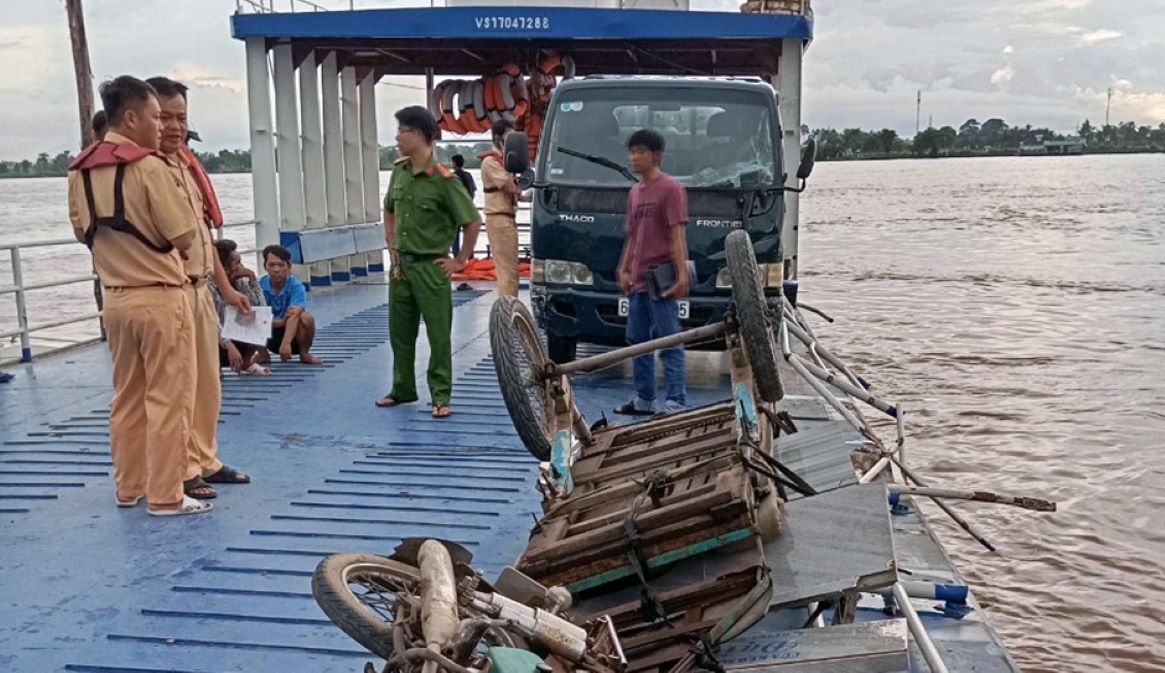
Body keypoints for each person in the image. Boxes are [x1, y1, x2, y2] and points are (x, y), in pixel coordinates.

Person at [66, 75, 208, 516]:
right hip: (160, 296)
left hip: (115, 299)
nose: (157, 125)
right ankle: (166, 494)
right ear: (130, 117)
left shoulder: (80, 170)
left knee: (127, 396)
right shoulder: (148, 167)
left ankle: (130, 486)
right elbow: (183, 234)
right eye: (152, 117)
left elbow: (79, 231)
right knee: (169, 398)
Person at [147, 76, 251, 501]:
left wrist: (225, 288)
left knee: (208, 383)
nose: (174, 126)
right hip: (168, 290)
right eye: (165, 117)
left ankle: (205, 457)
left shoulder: (184, 164)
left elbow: (204, 236)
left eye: (181, 117)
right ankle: (183, 469)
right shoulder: (146, 170)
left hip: (199, 287)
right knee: (178, 386)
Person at [376, 105, 482, 418]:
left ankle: (440, 396)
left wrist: (460, 261)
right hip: (401, 267)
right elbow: (389, 208)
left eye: (402, 131)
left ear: (419, 135)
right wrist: (391, 239)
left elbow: (472, 221)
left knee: (438, 334)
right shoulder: (399, 171)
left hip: (430, 267)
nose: (397, 138)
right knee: (400, 332)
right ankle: (402, 388)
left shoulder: (444, 180)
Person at [615, 129, 690, 416]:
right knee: (637, 342)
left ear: (655, 156)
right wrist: (623, 268)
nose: (634, 157)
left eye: (641, 151)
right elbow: (633, 236)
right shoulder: (635, 193)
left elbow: (676, 235)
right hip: (638, 280)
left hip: (661, 279)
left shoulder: (671, 189)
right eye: (632, 151)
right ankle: (644, 399)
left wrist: (682, 275)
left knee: (669, 340)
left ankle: (676, 401)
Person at [478, 119, 526, 297]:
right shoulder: (491, 162)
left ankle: (510, 306)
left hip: (507, 218)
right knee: (507, 272)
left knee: (512, 269)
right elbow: (509, 186)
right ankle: (508, 310)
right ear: (499, 139)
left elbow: (517, 192)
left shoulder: (504, 162)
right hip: (499, 218)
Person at [209, 239, 269, 375]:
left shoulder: (240, 281)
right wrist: (228, 345)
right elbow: (211, 321)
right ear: (224, 268)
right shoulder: (208, 286)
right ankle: (214, 366)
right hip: (214, 338)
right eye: (237, 263)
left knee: (259, 319)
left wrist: (252, 279)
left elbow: (260, 308)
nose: (241, 266)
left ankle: (246, 361)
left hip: (232, 332)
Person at [259, 244, 323, 365]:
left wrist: (286, 343)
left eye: (281, 265)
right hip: (268, 332)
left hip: (293, 336)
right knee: (248, 317)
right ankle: (262, 354)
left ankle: (304, 353)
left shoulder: (296, 286)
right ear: (265, 267)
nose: (276, 269)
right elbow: (256, 318)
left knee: (306, 317)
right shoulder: (259, 286)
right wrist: (281, 322)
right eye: (272, 265)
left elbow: (294, 315)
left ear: (288, 267)